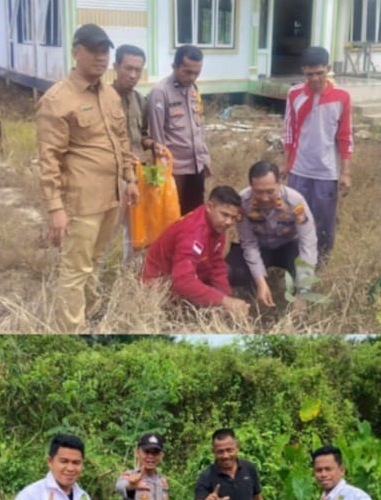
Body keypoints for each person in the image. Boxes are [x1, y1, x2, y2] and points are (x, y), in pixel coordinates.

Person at [36, 23, 138, 330]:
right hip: (81, 200)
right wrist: (56, 208)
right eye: (94, 50)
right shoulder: (57, 100)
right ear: (76, 51)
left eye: (105, 51)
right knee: (76, 267)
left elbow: (122, 140)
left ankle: (91, 312)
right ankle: (73, 331)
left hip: (112, 195)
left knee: (96, 258)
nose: (101, 57)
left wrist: (131, 178)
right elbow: (49, 159)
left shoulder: (109, 94)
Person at [283, 46, 353, 261]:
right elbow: (289, 130)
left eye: (319, 73)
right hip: (299, 170)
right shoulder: (294, 94)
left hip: (326, 172)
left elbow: (345, 135)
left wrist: (345, 173)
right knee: (294, 218)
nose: (314, 79)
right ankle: (294, 260)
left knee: (323, 223)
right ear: (303, 71)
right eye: (309, 74)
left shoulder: (341, 97)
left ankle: (320, 263)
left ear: (328, 69)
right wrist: (286, 164)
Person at [142, 186, 250, 318]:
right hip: (162, 282)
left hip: (191, 271)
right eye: (225, 214)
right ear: (210, 206)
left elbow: (216, 264)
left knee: (227, 272)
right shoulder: (193, 232)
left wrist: (226, 296)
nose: (229, 222)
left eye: (233, 217)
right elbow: (182, 282)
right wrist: (225, 302)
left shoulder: (216, 224)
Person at [226, 160, 318, 307]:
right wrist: (260, 282)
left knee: (306, 269)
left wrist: (303, 293)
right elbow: (248, 243)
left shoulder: (296, 202)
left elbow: (308, 243)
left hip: (288, 246)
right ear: (251, 187)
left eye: (270, 191)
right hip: (260, 246)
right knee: (232, 272)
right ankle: (252, 287)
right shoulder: (242, 202)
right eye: (258, 192)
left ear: (279, 183)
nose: (264, 198)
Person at [148, 45, 210, 215]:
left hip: (196, 166)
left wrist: (204, 158)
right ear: (174, 67)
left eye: (196, 73)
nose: (192, 77)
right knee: (173, 216)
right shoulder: (160, 93)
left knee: (195, 214)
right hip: (175, 171)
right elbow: (157, 136)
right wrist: (161, 174)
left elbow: (199, 127)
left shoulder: (194, 90)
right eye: (187, 72)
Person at [112, 44, 157, 261]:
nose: (133, 75)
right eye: (128, 68)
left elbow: (142, 134)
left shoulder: (140, 100)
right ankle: (95, 281)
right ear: (115, 66)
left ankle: (130, 278)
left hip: (138, 174)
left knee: (137, 230)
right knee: (109, 232)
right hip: (114, 177)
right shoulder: (104, 99)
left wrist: (153, 144)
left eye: (138, 70)